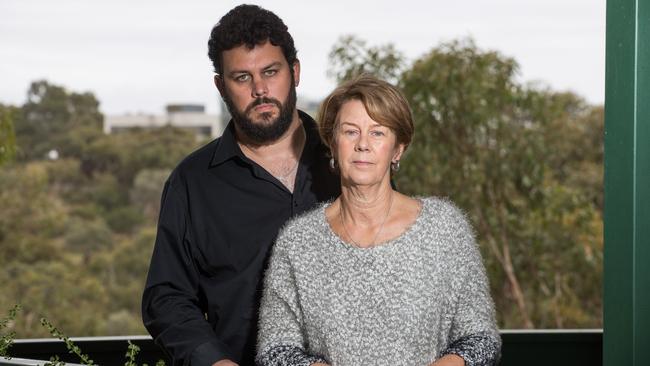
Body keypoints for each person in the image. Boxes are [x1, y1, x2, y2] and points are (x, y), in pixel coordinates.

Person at [141, 5, 339, 366]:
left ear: (294, 72)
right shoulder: (192, 182)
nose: (260, 89)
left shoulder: (350, 162)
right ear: (221, 86)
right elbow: (167, 298)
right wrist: (214, 362)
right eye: (242, 78)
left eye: (270, 71)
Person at [256, 75, 501, 366]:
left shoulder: (445, 228)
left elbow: (482, 339)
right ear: (333, 144)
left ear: (398, 149)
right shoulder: (298, 241)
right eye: (350, 132)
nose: (363, 145)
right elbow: (275, 349)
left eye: (377, 133)